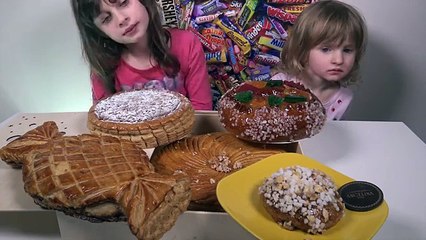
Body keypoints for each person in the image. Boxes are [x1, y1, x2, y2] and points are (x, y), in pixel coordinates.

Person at [71, 0, 213, 110]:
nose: (121, 19)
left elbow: (202, 111)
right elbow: (105, 128)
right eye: (106, 19)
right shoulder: (103, 68)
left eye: (124, 2)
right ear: (99, 32)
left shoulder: (186, 44)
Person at [272, 0, 367, 120]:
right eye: (326, 49)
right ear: (303, 49)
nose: (338, 60)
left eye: (347, 50)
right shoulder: (278, 84)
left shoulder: (343, 98)